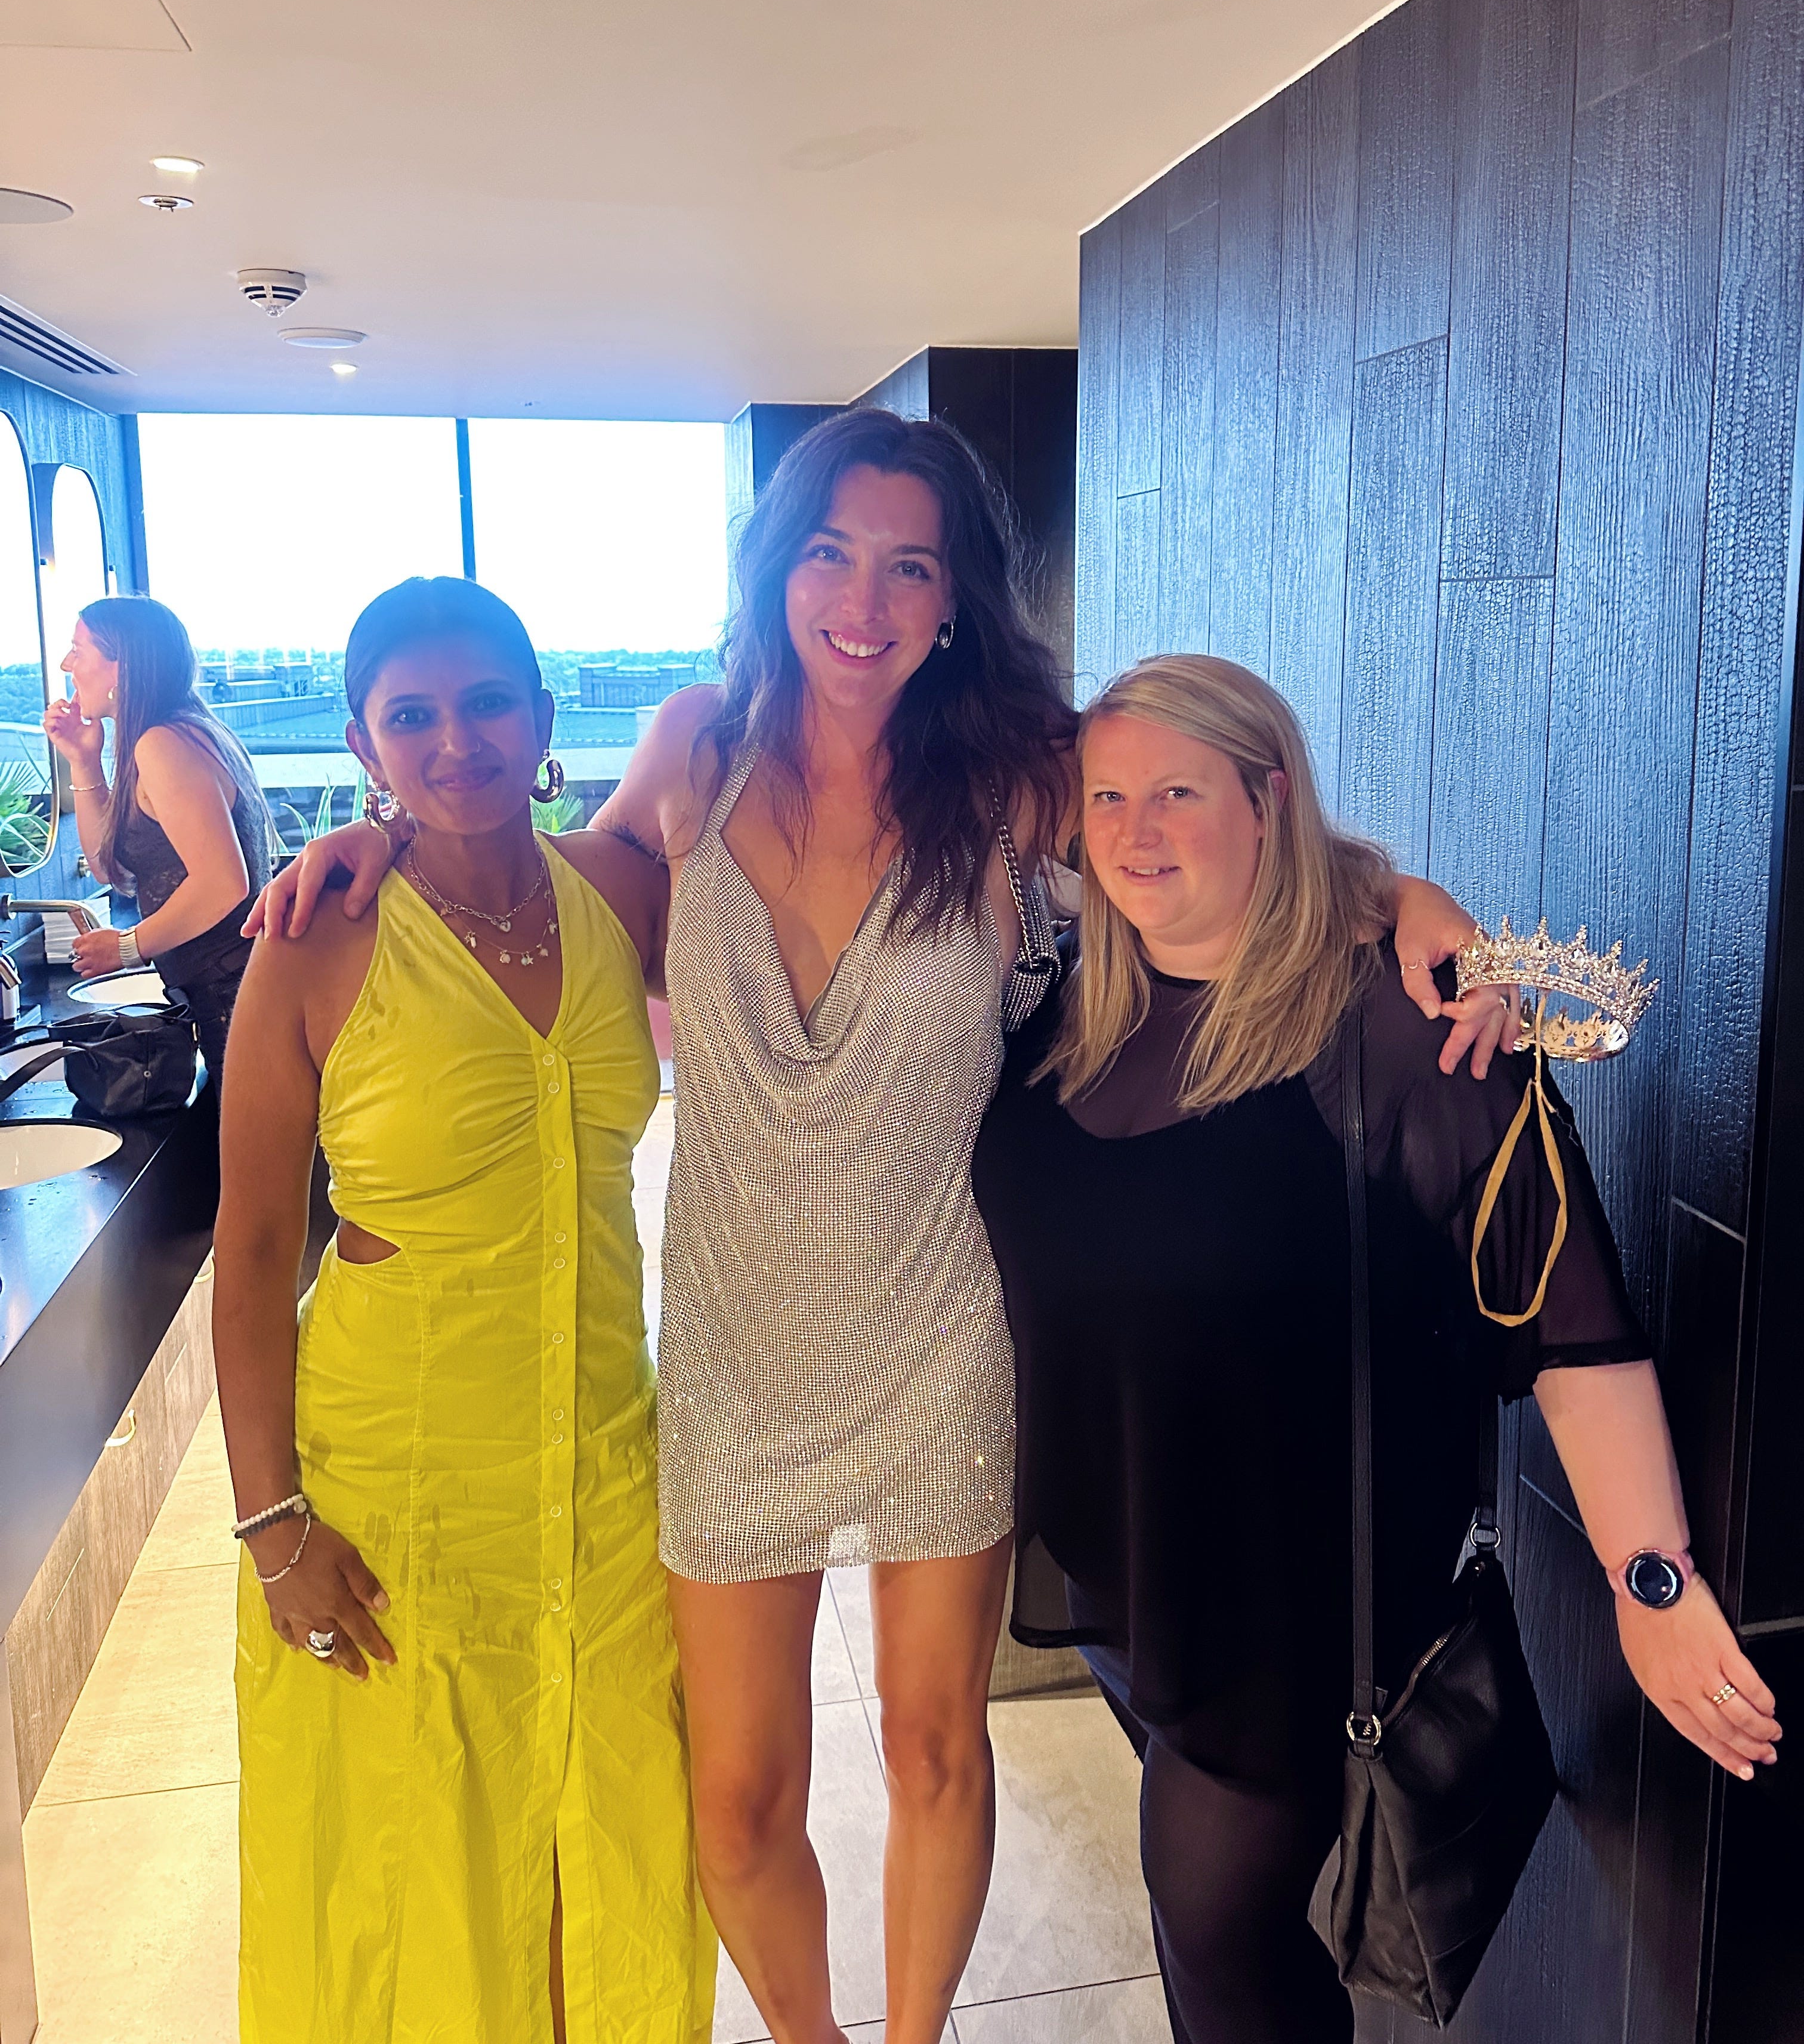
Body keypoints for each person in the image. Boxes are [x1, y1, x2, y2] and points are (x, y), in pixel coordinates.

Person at [252, 414, 1503, 2044]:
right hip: (735, 1351)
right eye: (833, 554)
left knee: (933, 1749)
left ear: (954, 599)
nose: (864, 600)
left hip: (937, 1332)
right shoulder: (694, 751)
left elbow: (1206, 826)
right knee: (735, 1798)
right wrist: (380, 837)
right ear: (779, 568)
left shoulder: (1011, 779)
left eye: (911, 567)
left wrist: (1401, 898)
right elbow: (548, 880)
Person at [969, 653, 1781, 2044]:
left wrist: (1651, 1581)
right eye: (1107, 797)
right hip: (1132, 1570)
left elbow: (1569, 1320)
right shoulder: (1071, 1004)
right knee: (1231, 1949)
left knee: (1221, 1951)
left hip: (1290, 1608)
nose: (1136, 830)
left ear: (1269, 799)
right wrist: (1398, 887)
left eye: (1179, 793)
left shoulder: (1399, 1031)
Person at [212, 578, 713, 2044]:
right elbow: (254, 1247)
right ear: (363, 746)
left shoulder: (619, 894)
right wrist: (271, 1525)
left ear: (547, 721)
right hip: (398, 1483)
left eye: (489, 702)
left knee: (612, 1851)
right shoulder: (316, 940)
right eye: (411, 716)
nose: (456, 741)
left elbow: (762, 752)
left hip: (606, 1478)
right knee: (413, 1866)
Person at [44, 595, 272, 1086]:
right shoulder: (186, 731)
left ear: (122, 666)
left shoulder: (163, 744)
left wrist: (129, 947)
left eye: (78, 650)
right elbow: (110, 868)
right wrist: (84, 761)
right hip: (239, 994)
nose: (66, 664)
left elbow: (223, 884)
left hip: (237, 1000)